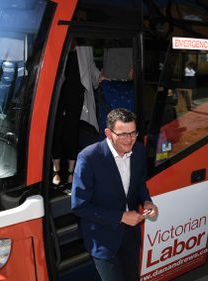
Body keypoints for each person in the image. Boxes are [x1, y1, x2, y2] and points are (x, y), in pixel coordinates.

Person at [71, 108, 158, 281]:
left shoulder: (139, 151)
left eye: (133, 133)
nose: (129, 140)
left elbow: (139, 183)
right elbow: (80, 206)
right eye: (123, 134)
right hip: (103, 238)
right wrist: (121, 217)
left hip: (130, 236)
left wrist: (147, 201)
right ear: (108, 133)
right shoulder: (89, 157)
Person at [52, 40, 106, 186]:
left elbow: (91, 67)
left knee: (71, 131)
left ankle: (71, 171)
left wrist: (100, 76)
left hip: (76, 95)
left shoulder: (85, 46)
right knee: (57, 131)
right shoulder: (59, 40)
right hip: (57, 94)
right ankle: (56, 171)